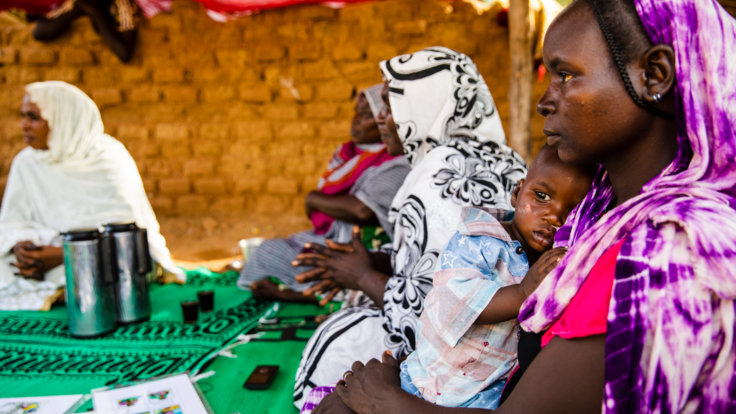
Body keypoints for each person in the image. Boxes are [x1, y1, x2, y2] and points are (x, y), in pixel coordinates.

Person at [314, 0, 736, 413]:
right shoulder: (599, 215)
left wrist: (387, 401)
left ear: (654, 75)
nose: (544, 102)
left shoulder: (667, 254)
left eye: (566, 75)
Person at [292, 47, 528, 410]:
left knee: (338, 340)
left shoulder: (439, 168)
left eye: (393, 104)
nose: (383, 118)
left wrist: (361, 277)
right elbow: (440, 254)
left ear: (428, 103)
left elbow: (435, 310)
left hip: (460, 360)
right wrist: (370, 261)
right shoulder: (506, 157)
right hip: (504, 354)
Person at [398, 144, 595, 409]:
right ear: (516, 193)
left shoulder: (557, 261)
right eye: (541, 196)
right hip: (429, 383)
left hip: (486, 397)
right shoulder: (479, 239)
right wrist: (522, 292)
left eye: (573, 210)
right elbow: (453, 303)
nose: (554, 216)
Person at [0, 81, 182, 311]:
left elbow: (125, 236)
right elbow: (11, 221)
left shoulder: (107, 157)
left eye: (33, 117)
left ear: (63, 119)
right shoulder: (26, 162)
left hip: (100, 254)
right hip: (43, 257)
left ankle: (70, 287)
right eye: (23, 116)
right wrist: (22, 248)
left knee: (124, 265)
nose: (23, 125)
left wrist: (65, 254)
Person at [237, 84, 411, 303]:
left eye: (368, 115)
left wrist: (313, 199)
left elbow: (362, 210)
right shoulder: (347, 155)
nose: (356, 119)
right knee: (270, 249)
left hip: (366, 245)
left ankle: (302, 294)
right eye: (357, 112)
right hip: (334, 236)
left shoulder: (397, 163)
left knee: (331, 265)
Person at [32, 0, 140, 63]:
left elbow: (124, 53)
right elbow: (39, 33)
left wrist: (93, 12)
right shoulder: (75, 2)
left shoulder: (123, 4)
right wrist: (81, 7)